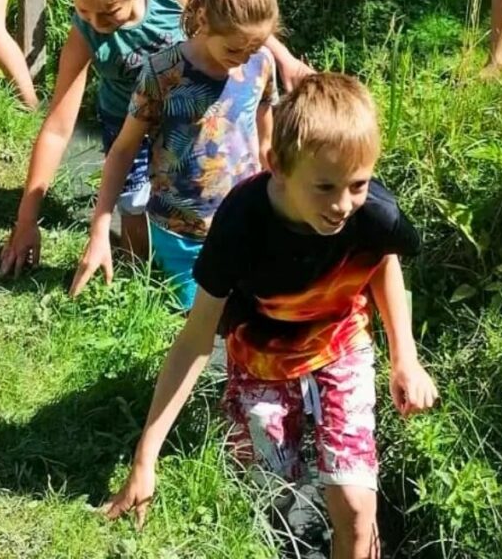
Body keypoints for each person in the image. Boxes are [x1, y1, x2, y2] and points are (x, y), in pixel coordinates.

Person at [103, 73, 439, 559]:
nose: (343, 205)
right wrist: (145, 457)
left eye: (358, 184)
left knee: (354, 502)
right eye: (325, 187)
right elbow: (197, 338)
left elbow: (382, 261)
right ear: (277, 164)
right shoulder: (242, 222)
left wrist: (405, 358)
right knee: (270, 485)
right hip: (261, 352)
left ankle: (356, 539)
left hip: (340, 340)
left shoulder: (374, 214)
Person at [0, 0, 312, 278]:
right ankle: (137, 278)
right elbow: (58, 128)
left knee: (198, 197)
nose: (97, 24)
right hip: (126, 124)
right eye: (82, 10)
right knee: (136, 215)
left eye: (108, 12)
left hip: (186, 118)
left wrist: (284, 59)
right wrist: (26, 221)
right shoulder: (84, 34)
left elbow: (235, 17)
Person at [67, 0, 279, 306]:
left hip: (241, 222)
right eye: (234, 48)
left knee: (249, 316)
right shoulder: (163, 72)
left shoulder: (262, 63)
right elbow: (122, 150)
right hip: (179, 232)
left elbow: (265, 145)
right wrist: (101, 227)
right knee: (192, 319)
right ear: (205, 20)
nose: (243, 58)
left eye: (254, 47)